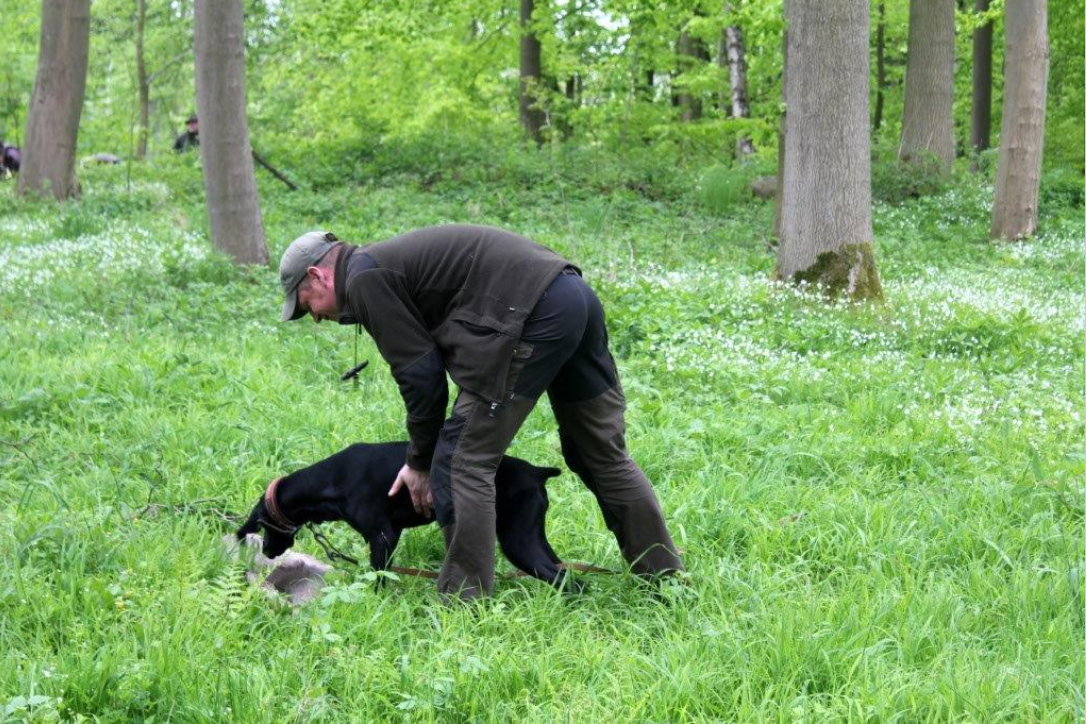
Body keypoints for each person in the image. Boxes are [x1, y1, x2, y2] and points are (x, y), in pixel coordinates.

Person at [278, 225, 684, 602]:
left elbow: (421, 376)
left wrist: (419, 461)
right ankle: (667, 581)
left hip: (531, 313)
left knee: (461, 462)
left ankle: (463, 603)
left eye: (305, 304)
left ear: (318, 276)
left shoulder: (364, 279)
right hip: (572, 295)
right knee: (600, 455)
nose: (313, 316)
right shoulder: (379, 264)